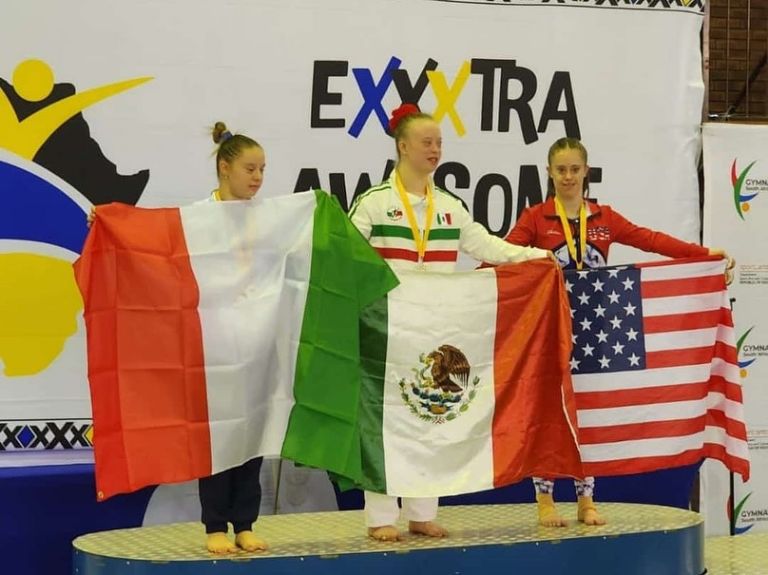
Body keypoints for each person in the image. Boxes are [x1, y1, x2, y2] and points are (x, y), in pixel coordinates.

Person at [504, 136, 735, 528]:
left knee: (590, 415)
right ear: (549, 173)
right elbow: (503, 256)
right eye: (560, 170)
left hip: (594, 333)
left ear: (586, 172)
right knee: (549, 412)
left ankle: (586, 498)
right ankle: (544, 498)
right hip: (549, 330)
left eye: (574, 169)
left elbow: (651, 240)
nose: (567, 177)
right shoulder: (535, 218)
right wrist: (472, 284)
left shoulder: (603, 219)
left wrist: (703, 255)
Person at [348, 103, 553, 542]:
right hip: (387, 333)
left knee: (431, 420)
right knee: (384, 422)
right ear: (403, 146)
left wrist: (536, 256)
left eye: (439, 142)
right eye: (427, 142)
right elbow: (345, 255)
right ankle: (381, 516)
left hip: (435, 331)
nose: (435, 149)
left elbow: (487, 246)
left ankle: (422, 512)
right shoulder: (374, 203)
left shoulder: (449, 206)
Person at [88, 121, 269, 554]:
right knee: (216, 438)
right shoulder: (197, 218)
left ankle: (246, 522)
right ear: (224, 168)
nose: (258, 178)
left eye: (263, 169)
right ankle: (215, 525)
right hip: (210, 345)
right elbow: (151, 242)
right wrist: (108, 221)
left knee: (254, 435)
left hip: (256, 341)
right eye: (250, 169)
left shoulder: (269, 220)